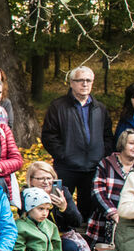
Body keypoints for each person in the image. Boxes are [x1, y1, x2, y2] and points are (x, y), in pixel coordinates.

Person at [41, 66, 114, 217]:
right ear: (71, 83)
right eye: (80, 80)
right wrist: (64, 155)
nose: (84, 84)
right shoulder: (58, 106)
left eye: (88, 80)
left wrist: (101, 155)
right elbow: (49, 136)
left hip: (93, 167)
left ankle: (86, 238)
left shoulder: (99, 108)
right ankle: (62, 235)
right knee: (60, 204)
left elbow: (107, 136)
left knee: (89, 208)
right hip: (67, 166)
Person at [86, 130, 134, 248]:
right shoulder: (106, 163)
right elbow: (98, 192)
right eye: (132, 143)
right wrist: (114, 214)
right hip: (105, 220)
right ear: (123, 144)